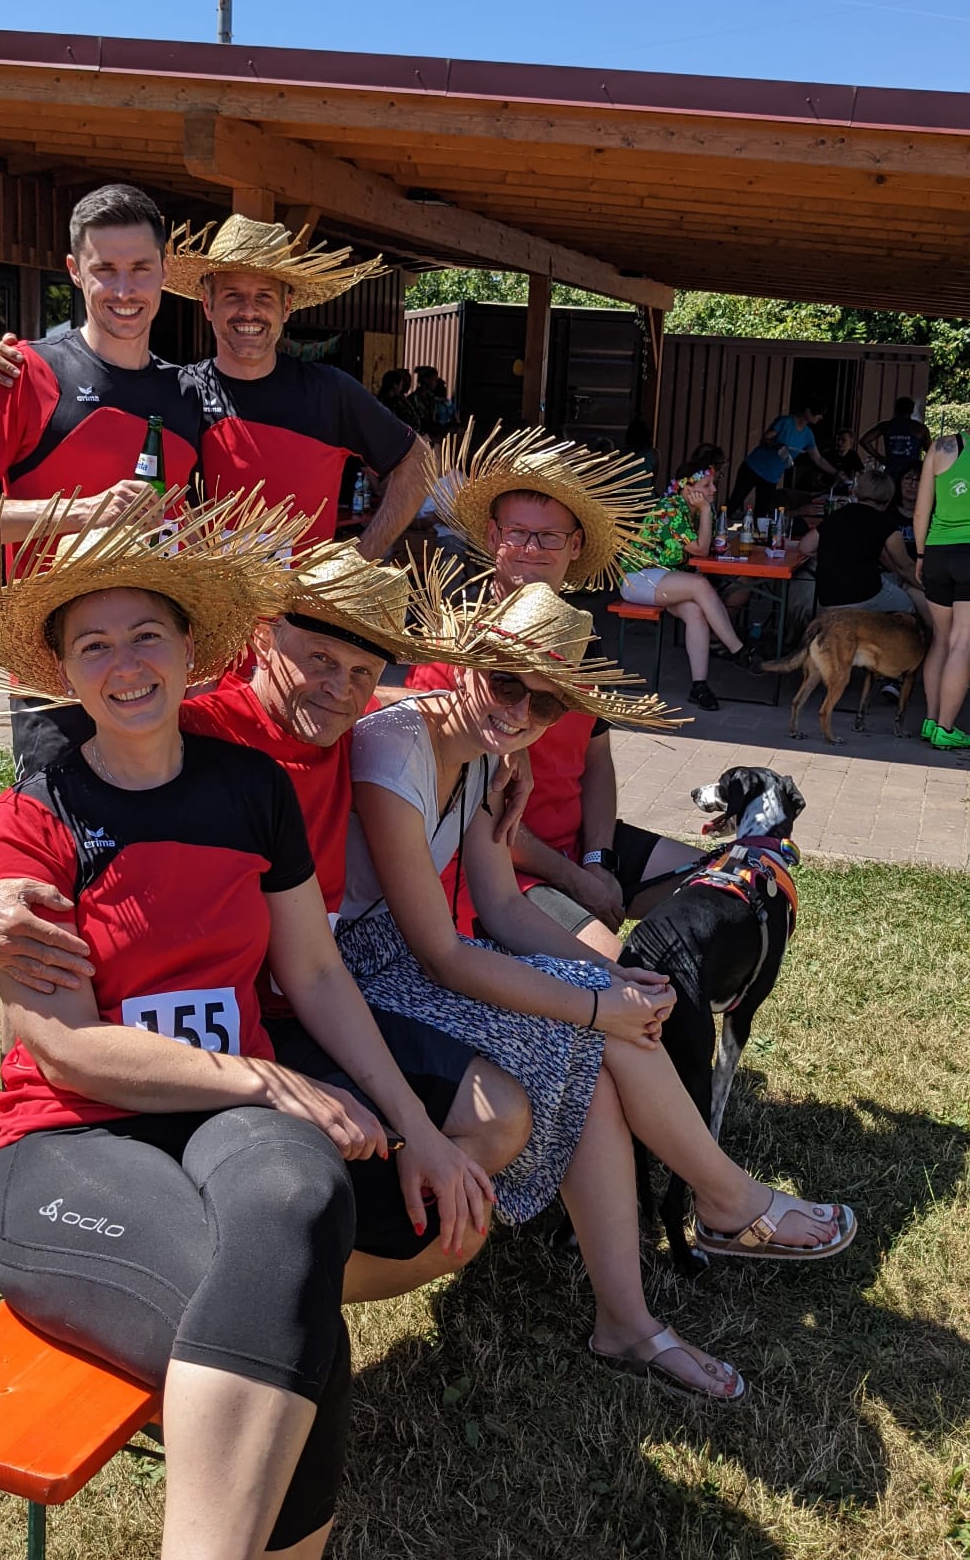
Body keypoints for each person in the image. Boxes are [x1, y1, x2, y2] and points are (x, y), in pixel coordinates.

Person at [0, 500, 491, 1560]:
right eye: (94, 644)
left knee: (303, 1198)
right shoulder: (35, 814)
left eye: (146, 636)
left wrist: (416, 1126)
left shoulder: (250, 789)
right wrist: (255, 1078)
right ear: (64, 670)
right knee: (300, 1339)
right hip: (70, 1144)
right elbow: (66, 1049)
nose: (125, 664)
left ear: (188, 649)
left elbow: (314, 974)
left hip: (217, 1115)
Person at [0, 543, 532, 1308]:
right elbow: (46, 808)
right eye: (318, 659)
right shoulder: (186, 724)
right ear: (263, 638)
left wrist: (509, 754)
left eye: (362, 672)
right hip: (180, 1045)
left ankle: (288, 1274)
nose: (339, 687)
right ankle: (262, 1280)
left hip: (283, 1011)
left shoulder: (352, 730)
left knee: (495, 1124)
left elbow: (318, 969)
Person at [341, 579, 858, 1402]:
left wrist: (610, 979)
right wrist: (595, 1003)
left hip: (410, 958)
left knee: (608, 1043)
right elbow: (440, 953)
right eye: (504, 681)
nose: (519, 710)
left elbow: (503, 908)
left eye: (545, 703)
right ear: (467, 662)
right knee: (601, 1034)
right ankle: (726, 1205)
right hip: (358, 975)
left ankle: (632, 1315)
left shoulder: (484, 753)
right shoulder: (396, 748)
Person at [0, 184, 208, 774]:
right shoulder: (22, 372)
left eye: (141, 268)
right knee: (57, 828)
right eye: (105, 270)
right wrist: (84, 512)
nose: (125, 290)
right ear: (75, 272)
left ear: (165, 271)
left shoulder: (187, 393)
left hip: (155, 674)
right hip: (51, 674)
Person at [0, 208, 431, 559]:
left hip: (297, 637)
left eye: (264, 297)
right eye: (233, 296)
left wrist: (360, 559)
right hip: (200, 638)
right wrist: (2, 363)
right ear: (207, 305)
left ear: (287, 308)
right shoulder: (179, 392)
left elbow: (416, 460)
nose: (248, 311)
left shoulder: (331, 392)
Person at [406, 425, 705, 947]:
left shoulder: (581, 639)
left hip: (578, 851)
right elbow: (475, 815)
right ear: (493, 538)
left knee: (729, 889)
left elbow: (596, 761)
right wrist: (578, 881)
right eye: (517, 533)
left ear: (575, 545)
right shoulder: (454, 643)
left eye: (549, 536)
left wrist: (598, 859)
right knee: (619, 972)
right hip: (498, 870)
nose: (531, 549)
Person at [618, 454, 755, 712]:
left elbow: (710, 546)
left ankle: (699, 686)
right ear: (687, 489)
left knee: (695, 612)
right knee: (699, 585)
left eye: (713, 484)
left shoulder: (701, 511)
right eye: (706, 486)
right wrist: (705, 510)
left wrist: (707, 515)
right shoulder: (669, 508)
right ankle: (737, 650)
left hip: (668, 580)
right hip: (638, 578)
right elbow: (700, 549)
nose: (713, 490)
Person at [795, 469, 923, 617]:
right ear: (889, 498)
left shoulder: (837, 515)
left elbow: (804, 547)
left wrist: (834, 552)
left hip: (828, 599)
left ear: (857, 492)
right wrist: (927, 588)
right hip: (865, 596)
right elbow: (904, 567)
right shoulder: (885, 522)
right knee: (910, 606)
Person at [914, 430, 970, 750]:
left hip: (936, 552)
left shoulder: (942, 446)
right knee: (963, 641)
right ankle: (946, 729)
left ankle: (931, 720)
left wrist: (921, 554)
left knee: (941, 639)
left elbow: (921, 511)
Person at [729, 397, 838, 520]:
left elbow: (818, 459)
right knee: (735, 501)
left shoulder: (808, 435)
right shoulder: (785, 422)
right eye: (818, 413)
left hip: (771, 477)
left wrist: (836, 472)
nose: (820, 417)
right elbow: (765, 439)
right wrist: (777, 446)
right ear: (808, 411)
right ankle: (717, 525)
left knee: (762, 514)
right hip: (753, 467)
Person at [861, 395, 931, 481]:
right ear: (912, 410)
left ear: (895, 409)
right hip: (911, 474)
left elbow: (864, 440)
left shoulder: (886, 426)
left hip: (891, 472)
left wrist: (879, 457)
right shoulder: (920, 429)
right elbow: (930, 451)